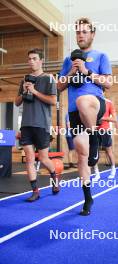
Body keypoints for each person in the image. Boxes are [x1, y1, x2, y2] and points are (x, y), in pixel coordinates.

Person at [57, 17, 112, 215]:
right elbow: (59, 86)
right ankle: (88, 198)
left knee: (82, 101)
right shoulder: (68, 60)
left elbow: (108, 83)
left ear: (92, 34)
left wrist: (86, 71)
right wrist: (72, 71)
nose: (81, 35)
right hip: (74, 113)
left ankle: (95, 138)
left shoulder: (101, 56)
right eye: (78, 32)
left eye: (84, 31)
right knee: (82, 155)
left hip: (94, 104)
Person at [15, 48, 59, 202]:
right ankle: (35, 191)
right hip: (26, 124)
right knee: (29, 159)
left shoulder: (49, 79)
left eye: (34, 58)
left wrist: (34, 91)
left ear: (41, 61)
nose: (31, 61)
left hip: (42, 124)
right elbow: (17, 102)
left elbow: (53, 101)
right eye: (29, 59)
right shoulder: (24, 80)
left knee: (44, 158)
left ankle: (54, 177)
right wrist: (24, 91)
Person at [93, 97, 117, 181]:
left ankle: (113, 169)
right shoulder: (91, 101)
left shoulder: (109, 102)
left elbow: (115, 119)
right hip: (94, 130)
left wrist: (102, 118)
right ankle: (96, 173)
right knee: (94, 152)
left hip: (105, 130)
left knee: (108, 151)